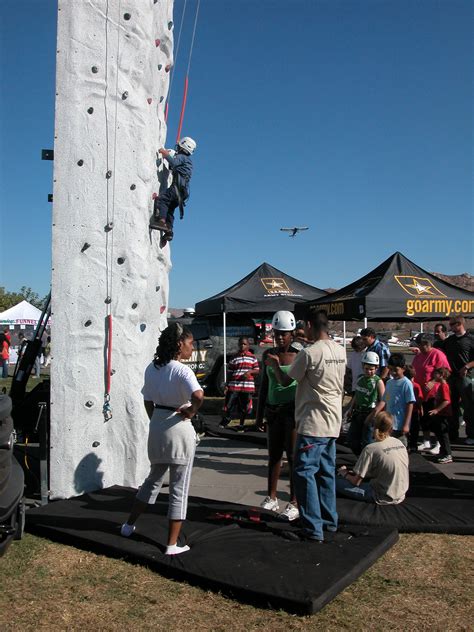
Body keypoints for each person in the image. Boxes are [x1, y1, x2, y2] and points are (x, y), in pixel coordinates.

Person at [120, 323, 204, 555]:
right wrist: (191, 411)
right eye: (190, 343)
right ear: (179, 344)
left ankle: (128, 525)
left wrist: (156, 418)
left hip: (157, 424)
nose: (192, 347)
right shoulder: (182, 370)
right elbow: (198, 395)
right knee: (179, 486)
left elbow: (147, 399)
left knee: (153, 478)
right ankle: (171, 544)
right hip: (178, 427)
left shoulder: (152, 368)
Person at [266, 309, 346, 542]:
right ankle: (329, 521)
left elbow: (285, 381)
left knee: (303, 473)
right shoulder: (340, 350)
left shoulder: (310, 353)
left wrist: (273, 365)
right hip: (333, 421)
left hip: (313, 423)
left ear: (310, 325)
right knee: (326, 474)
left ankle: (312, 527)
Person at [256, 311, 299, 521]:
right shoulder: (268, 355)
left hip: (291, 412)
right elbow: (265, 385)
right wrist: (259, 414)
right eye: (277, 333)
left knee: (292, 457)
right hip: (273, 412)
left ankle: (294, 501)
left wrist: (275, 365)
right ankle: (271, 497)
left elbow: (284, 381)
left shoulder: (298, 356)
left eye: (285, 334)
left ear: (292, 334)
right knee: (273, 456)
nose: (280, 337)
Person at [336, 412, 409, 504]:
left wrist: (344, 473)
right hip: (401, 494)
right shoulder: (399, 443)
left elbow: (356, 482)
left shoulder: (370, 448)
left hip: (381, 496)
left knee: (334, 481)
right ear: (391, 428)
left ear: (374, 426)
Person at [150, 136, 197, 239]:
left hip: (177, 188)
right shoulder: (189, 162)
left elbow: (174, 163)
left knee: (163, 200)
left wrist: (164, 153)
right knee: (170, 209)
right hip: (183, 192)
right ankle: (169, 231)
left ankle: (161, 222)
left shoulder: (181, 157)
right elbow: (177, 168)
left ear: (182, 146)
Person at [412, 333, 450, 452]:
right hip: (421, 393)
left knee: (436, 420)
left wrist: (433, 381)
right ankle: (426, 441)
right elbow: (414, 370)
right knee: (424, 418)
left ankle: (439, 444)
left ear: (430, 344)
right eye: (420, 344)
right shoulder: (418, 356)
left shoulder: (437, 354)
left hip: (434, 393)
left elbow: (445, 371)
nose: (423, 347)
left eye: (425, 344)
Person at [345, 351, 385, 455]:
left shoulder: (378, 381)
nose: (368, 371)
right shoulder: (360, 378)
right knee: (352, 439)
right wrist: (351, 409)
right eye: (366, 368)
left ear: (376, 368)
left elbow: (383, 401)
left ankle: (369, 463)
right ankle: (360, 459)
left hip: (370, 413)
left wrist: (373, 415)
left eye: (371, 369)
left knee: (367, 441)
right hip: (357, 412)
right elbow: (356, 395)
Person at [373, 353, 415, 447]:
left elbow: (410, 404)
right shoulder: (389, 383)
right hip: (389, 423)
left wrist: (406, 424)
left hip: (399, 424)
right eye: (391, 370)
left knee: (400, 446)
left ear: (403, 368)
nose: (393, 373)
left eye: (396, 370)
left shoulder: (406, 383)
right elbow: (386, 400)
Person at [443, 315, 474, 444]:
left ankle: (471, 434)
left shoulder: (470, 340)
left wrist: (467, 366)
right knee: (452, 407)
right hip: (451, 378)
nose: (450, 327)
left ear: (459, 324)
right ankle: (452, 434)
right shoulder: (449, 341)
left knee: (469, 407)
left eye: (452, 324)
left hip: (465, 378)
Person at [220, 337, 259, 431]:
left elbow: (257, 370)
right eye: (240, 344)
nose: (242, 346)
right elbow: (230, 372)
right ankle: (226, 421)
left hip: (247, 386)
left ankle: (241, 423)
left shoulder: (252, 357)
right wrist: (227, 385)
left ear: (248, 346)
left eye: (244, 344)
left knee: (244, 406)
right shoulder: (234, 357)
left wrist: (249, 372)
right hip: (234, 385)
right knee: (229, 405)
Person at [427, 367, 454, 464]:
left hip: (443, 414)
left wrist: (437, 410)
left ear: (442, 375)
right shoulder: (440, 385)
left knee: (443, 435)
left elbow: (447, 401)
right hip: (440, 414)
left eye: (436, 374)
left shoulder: (444, 386)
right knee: (439, 433)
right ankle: (443, 452)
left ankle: (448, 454)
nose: (434, 375)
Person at [404, 365, 424, 452]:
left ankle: (407, 445)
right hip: (414, 410)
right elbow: (419, 399)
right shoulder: (416, 386)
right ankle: (413, 445)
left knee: (407, 429)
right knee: (414, 430)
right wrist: (421, 408)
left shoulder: (404, 384)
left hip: (405, 410)